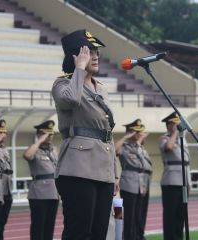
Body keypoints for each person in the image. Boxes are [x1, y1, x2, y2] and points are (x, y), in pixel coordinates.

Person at [52, 29, 118, 239]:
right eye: (89, 51)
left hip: (103, 168)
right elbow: (71, 100)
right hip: (78, 167)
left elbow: (107, 131)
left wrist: (115, 172)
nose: (96, 56)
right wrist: (79, 69)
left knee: (100, 232)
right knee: (78, 231)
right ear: (76, 55)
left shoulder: (101, 88)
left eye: (97, 51)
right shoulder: (62, 84)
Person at [115, 119, 152, 240]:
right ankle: (129, 237)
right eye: (137, 132)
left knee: (140, 215)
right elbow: (114, 150)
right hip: (129, 184)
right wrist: (126, 137)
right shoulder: (124, 146)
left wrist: (140, 141)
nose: (140, 134)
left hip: (142, 185)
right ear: (130, 132)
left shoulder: (140, 147)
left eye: (140, 132)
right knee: (129, 216)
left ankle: (139, 236)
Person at [23, 120, 59, 240]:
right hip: (39, 194)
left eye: (51, 134)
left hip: (53, 193)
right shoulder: (35, 149)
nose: (49, 137)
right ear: (39, 134)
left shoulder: (54, 150)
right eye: (46, 134)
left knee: (50, 227)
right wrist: (39, 141)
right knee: (38, 227)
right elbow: (27, 156)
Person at [159, 112, 191, 240]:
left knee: (180, 216)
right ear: (168, 125)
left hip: (183, 182)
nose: (177, 126)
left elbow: (186, 163)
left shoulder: (182, 139)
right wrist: (175, 132)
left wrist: (188, 183)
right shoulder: (164, 138)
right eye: (174, 124)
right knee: (170, 217)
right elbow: (169, 147)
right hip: (171, 182)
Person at [0, 119, 13, 240]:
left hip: (7, 191)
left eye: (3, 132)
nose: (2, 134)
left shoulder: (4, 149)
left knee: (1, 225)